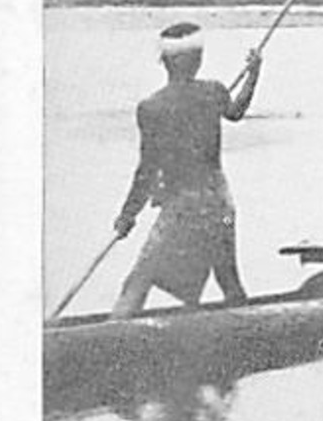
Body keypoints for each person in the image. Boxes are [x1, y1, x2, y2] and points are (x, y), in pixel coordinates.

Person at [110, 22, 262, 318]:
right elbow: (236, 111)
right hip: (219, 203)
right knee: (228, 280)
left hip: (184, 208)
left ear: (164, 61)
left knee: (137, 282)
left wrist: (128, 214)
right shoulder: (213, 92)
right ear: (198, 60)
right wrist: (254, 74)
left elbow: (147, 170)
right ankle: (252, 334)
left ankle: (113, 342)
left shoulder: (151, 107)